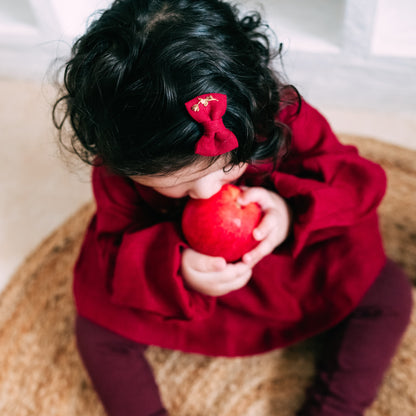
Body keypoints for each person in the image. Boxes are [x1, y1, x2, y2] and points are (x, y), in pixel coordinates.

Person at [52, 0, 413, 415]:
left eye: (227, 170)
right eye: (181, 186)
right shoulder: (123, 166)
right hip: (185, 285)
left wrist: (288, 211)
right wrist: (179, 269)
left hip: (290, 264)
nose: (208, 194)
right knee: (96, 328)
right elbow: (117, 241)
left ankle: (333, 408)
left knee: (388, 293)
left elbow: (347, 180)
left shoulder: (279, 114)